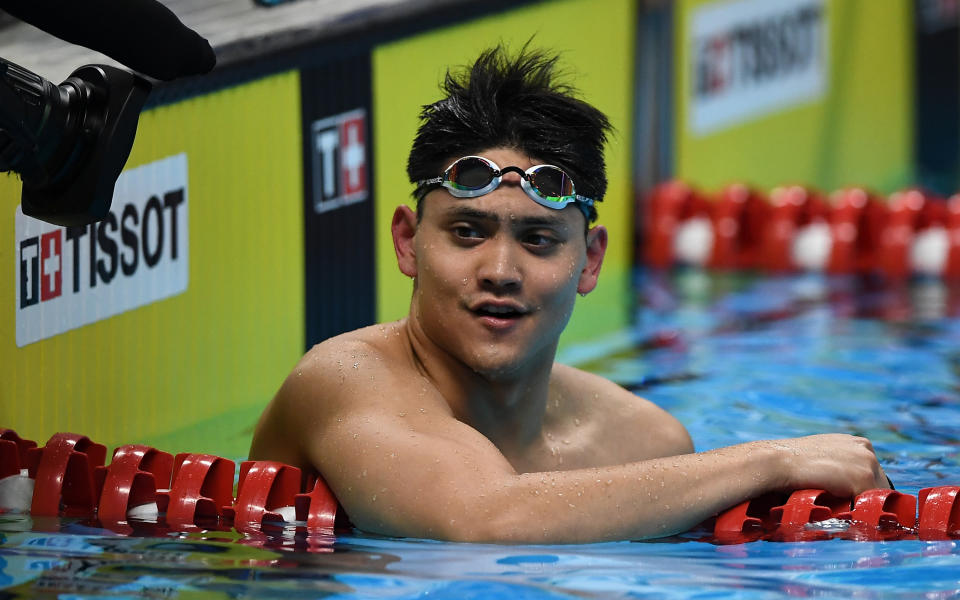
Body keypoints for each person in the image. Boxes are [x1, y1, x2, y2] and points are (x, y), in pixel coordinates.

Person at [249, 44, 889, 543]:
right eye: (467, 233)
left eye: (539, 239)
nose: (500, 269)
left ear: (591, 261)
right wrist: (772, 460)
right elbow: (482, 520)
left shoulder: (643, 443)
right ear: (409, 242)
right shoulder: (341, 379)